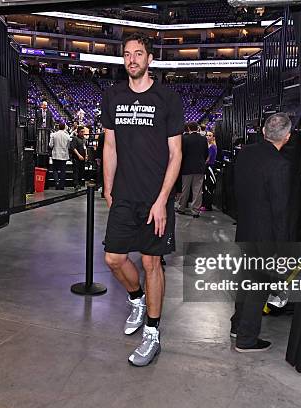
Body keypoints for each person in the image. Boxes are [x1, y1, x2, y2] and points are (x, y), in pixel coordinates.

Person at [101, 32, 183, 367]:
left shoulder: (167, 98)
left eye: (138, 53)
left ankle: (152, 332)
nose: (132, 59)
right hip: (123, 195)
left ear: (149, 59)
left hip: (155, 199)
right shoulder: (113, 96)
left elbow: (175, 154)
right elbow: (110, 146)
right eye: (127, 54)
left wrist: (162, 199)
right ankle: (137, 299)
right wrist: (108, 188)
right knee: (113, 259)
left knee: (151, 263)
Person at [231, 112, 293, 352]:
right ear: (286, 137)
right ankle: (246, 338)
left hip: (246, 227)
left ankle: (237, 325)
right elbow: (280, 211)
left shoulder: (245, 153)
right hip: (266, 236)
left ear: (265, 132)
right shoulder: (281, 165)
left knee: (245, 281)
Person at [176, 122, 209, 217]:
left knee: (185, 189)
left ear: (189, 128)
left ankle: (181, 208)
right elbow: (206, 153)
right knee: (197, 190)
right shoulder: (203, 139)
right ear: (197, 128)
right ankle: (195, 211)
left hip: (187, 167)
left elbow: (182, 154)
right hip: (199, 167)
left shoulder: (185, 139)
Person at [49, 122, 71, 190]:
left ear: (58, 127)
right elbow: (69, 146)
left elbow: (50, 145)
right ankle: (62, 185)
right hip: (64, 155)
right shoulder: (67, 136)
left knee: (55, 170)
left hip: (55, 154)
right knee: (63, 170)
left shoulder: (53, 135)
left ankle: (57, 183)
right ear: (64, 127)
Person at [201, 132, 217, 211]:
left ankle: (208, 205)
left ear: (213, 137)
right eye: (207, 135)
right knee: (205, 186)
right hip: (206, 167)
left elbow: (208, 159)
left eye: (210, 136)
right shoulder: (207, 146)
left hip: (210, 167)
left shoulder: (212, 147)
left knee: (208, 186)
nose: (207, 137)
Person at [70, 126, 87, 190]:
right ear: (78, 132)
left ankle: (79, 183)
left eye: (83, 132)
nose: (83, 133)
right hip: (76, 158)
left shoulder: (84, 139)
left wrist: (86, 155)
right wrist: (79, 155)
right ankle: (76, 184)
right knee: (76, 171)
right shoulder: (75, 138)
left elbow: (85, 147)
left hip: (83, 157)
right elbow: (73, 148)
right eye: (81, 132)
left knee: (81, 171)